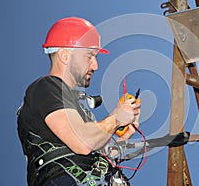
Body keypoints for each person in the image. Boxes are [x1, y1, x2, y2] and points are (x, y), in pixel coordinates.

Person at [17, 17, 141, 186]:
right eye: (89, 56)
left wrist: (126, 135)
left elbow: (98, 153)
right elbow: (83, 142)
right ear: (65, 55)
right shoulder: (46, 87)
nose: (95, 65)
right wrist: (117, 118)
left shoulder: (79, 109)